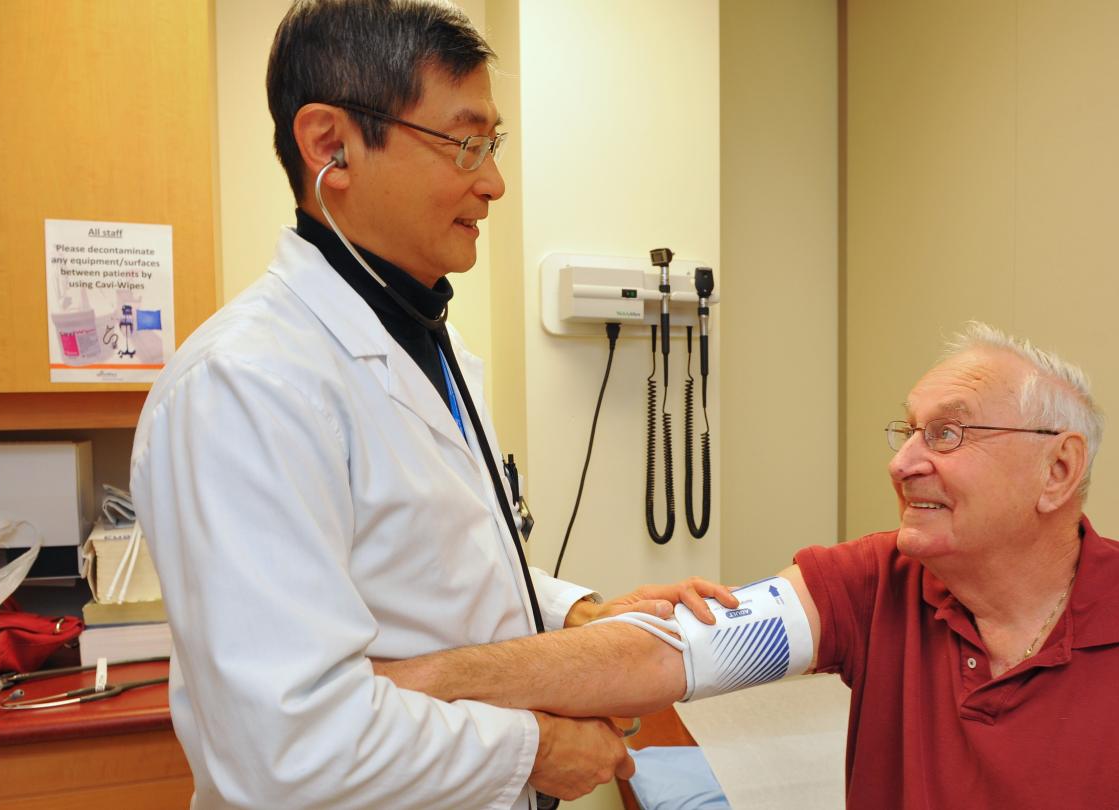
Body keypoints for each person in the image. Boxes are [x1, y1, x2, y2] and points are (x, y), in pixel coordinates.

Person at [130, 2, 732, 808]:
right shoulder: (244, 387)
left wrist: (576, 613)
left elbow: (437, 573)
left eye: (494, 144)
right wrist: (534, 747)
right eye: (465, 142)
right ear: (330, 146)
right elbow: (288, 745)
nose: (493, 181)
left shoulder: (426, 345)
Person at [394, 321, 1119, 809]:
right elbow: (666, 652)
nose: (901, 463)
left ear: (1059, 469)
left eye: (949, 434)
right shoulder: (878, 579)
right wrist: (421, 680)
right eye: (907, 431)